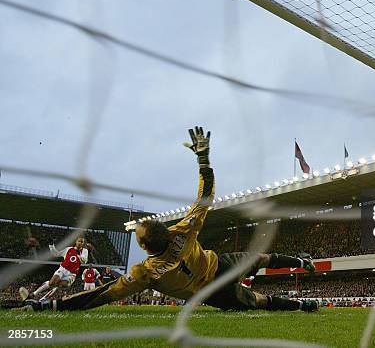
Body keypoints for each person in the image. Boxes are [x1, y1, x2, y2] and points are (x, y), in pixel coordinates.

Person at [19, 127, 317, 312]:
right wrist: (203, 159)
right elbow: (206, 195)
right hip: (218, 264)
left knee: (260, 301)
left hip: (209, 291)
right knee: (261, 258)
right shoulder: (183, 230)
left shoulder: (146, 271)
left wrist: (55, 304)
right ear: (165, 229)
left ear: (147, 247)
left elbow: (104, 294)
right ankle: (302, 263)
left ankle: (303, 305)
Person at [19, 237, 88, 301]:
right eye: (79, 241)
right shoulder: (69, 249)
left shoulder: (84, 251)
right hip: (63, 269)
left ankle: (42, 299)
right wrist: (51, 245)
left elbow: (84, 261)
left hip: (72, 274)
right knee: (52, 283)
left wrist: (78, 255)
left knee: (61, 285)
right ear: (76, 242)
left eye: (82, 242)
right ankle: (33, 294)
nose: (80, 243)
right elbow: (56, 254)